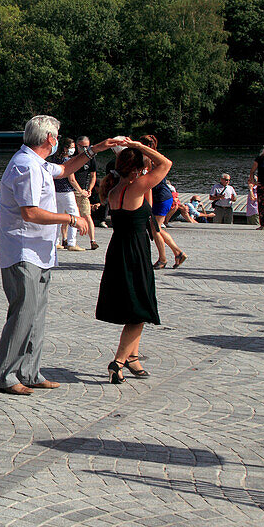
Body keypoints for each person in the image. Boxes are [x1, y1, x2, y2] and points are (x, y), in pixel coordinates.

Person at [0, 115, 122, 396]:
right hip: (22, 250)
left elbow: (63, 170)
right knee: (22, 314)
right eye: (57, 137)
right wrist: (72, 219)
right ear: (50, 139)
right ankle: (4, 374)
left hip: (39, 251)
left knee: (36, 315)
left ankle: (30, 372)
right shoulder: (25, 165)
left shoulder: (37, 163)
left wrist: (95, 149)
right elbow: (30, 212)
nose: (59, 141)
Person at [96, 139, 171, 384]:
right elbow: (166, 163)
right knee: (139, 311)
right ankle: (118, 362)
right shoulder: (137, 186)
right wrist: (140, 146)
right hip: (134, 252)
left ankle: (133, 357)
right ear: (138, 168)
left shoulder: (116, 188)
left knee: (135, 305)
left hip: (119, 250)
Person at [139, 135, 185, 269]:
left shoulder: (149, 159)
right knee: (156, 228)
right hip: (163, 196)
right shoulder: (155, 156)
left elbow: (147, 180)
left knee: (155, 229)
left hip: (160, 197)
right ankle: (177, 253)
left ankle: (163, 259)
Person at [48, 137, 83, 252]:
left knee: (57, 216)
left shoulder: (53, 159)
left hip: (55, 191)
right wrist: (80, 191)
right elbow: (72, 179)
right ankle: (72, 242)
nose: (73, 150)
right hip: (66, 191)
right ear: (65, 148)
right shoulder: (67, 161)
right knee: (74, 215)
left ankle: (56, 241)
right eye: (72, 147)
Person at [70, 136, 99, 249]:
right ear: (77, 146)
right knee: (69, 215)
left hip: (84, 191)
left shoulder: (91, 158)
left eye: (87, 147)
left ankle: (92, 240)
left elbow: (93, 176)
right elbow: (70, 177)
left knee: (87, 215)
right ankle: (65, 239)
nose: (84, 149)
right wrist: (79, 190)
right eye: (82, 147)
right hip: (71, 190)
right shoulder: (72, 157)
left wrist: (89, 189)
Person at [249, 141, 264, 229]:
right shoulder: (259, 159)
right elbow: (252, 171)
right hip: (262, 185)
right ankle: (263, 225)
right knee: (262, 205)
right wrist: (253, 182)